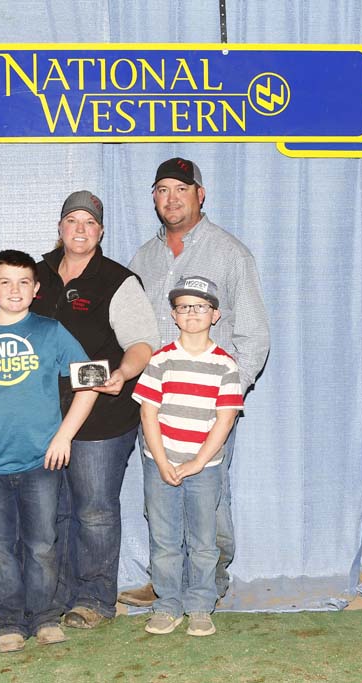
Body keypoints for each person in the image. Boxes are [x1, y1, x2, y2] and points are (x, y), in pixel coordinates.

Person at [122, 158, 270, 607]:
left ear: (199, 194)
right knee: (160, 496)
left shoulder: (229, 252)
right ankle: (167, 582)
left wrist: (225, 394)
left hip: (208, 407)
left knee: (210, 499)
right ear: (153, 197)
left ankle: (209, 582)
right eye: (162, 189)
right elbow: (127, 326)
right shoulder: (144, 258)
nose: (171, 198)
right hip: (156, 405)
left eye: (180, 189)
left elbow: (254, 334)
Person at [0, 249, 98, 654]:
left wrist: (64, 436)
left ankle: (44, 617)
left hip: (40, 461)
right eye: (5, 282)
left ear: (36, 289)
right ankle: (8, 620)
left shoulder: (51, 331)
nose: (15, 289)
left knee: (43, 544)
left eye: (24, 282)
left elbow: (89, 381)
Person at [30, 190, 159, 629]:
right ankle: (59, 595)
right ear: (60, 228)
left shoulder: (118, 280)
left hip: (102, 413)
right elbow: (12, 318)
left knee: (94, 509)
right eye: (72, 220)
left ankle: (95, 599)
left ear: (100, 232)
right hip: (44, 411)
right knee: (55, 510)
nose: (80, 229)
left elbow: (143, 341)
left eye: (89, 222)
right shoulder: (35, 274)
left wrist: (125, 372)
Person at [133, 275, 243, 636]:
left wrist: (196, 463)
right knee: (164, 539)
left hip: (204, 468)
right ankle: (168, 604)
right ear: (174, 315)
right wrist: (163, 461)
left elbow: (225, 420)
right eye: (184, 307)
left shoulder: (226, 366)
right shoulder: (160, 361)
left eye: (200, 307)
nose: (192, 313)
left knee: (203, 541)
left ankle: (200, 605)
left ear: (215, 315)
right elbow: (148, 414)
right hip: (160, 465)